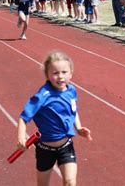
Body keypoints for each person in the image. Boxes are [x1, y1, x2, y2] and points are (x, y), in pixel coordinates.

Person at [16, 51, 92, 186]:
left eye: (64, 72)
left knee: (70, 182)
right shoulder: (42, 96)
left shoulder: (72, 90)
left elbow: (73, 111)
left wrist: (79, 128)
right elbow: (23, 118)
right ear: (48, 75)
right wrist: (21, 137)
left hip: (66, 146)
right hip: (45, 149)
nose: (60, 76)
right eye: (55, 73)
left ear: (71, 73)